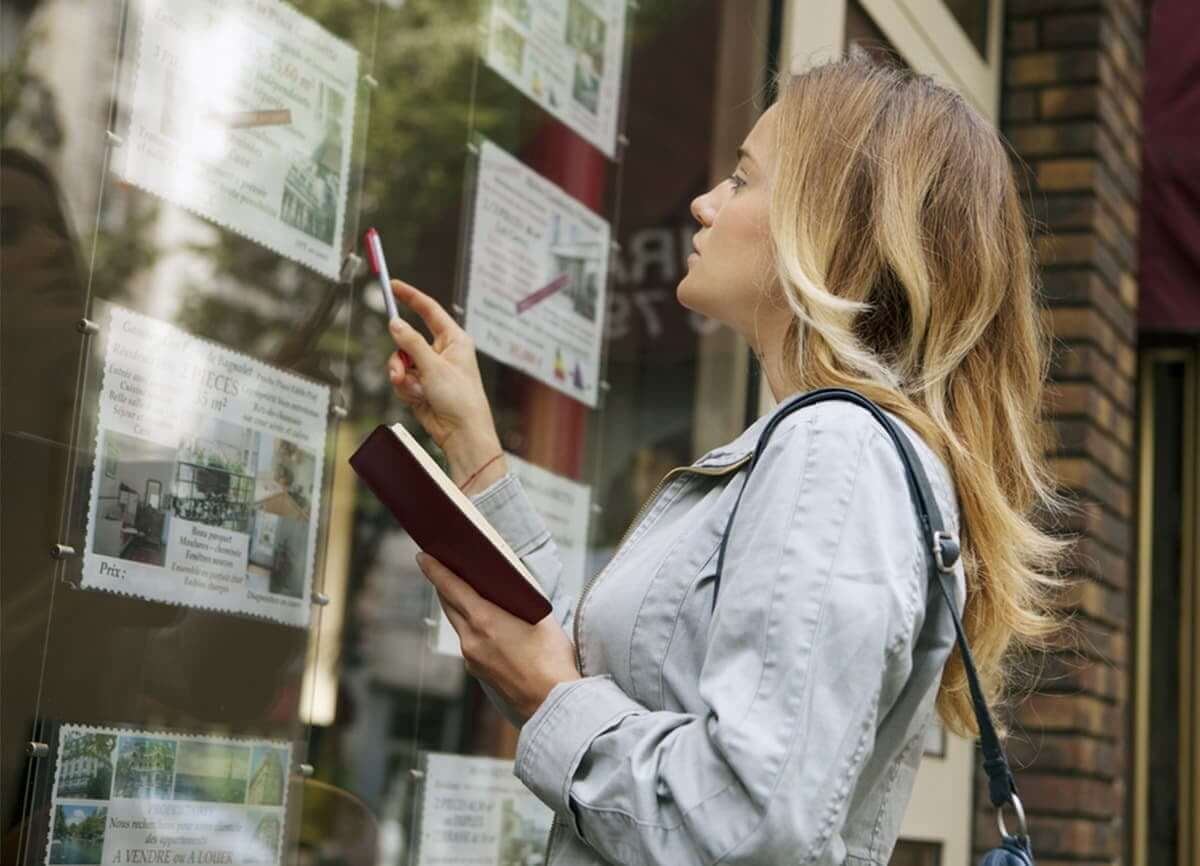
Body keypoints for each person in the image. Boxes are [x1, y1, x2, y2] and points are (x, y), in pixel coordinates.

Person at [383, 57, 1066, 866]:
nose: (705, 205)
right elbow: (587, 675)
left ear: (829, 230)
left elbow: (746, 823)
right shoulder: (810, 448)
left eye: (743, 180)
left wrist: (550, 697)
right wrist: (473, 446)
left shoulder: (835, 453)